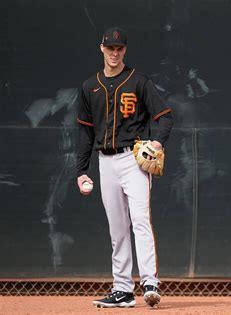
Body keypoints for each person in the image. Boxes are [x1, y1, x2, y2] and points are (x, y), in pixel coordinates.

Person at [76, 27, 173, 308]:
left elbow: (165, 117)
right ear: (102, 49)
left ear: (125, 51)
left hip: (133, 160)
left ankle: (150, 282)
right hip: (105, 162)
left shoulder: (139, 81)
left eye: (119, 49)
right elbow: (85, 132)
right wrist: (82, 170)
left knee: (140, 221)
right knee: (117, 229)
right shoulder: (89, 86)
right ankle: (122, 290)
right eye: (110, 48)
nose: (115, 53)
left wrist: (157, 144)